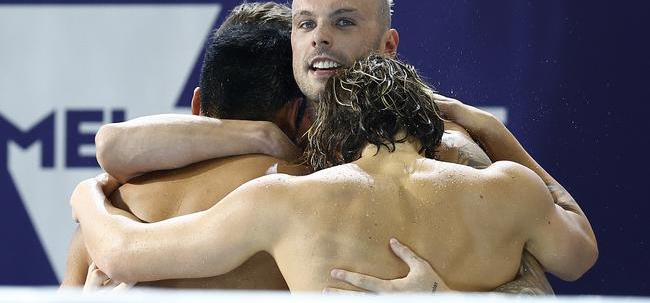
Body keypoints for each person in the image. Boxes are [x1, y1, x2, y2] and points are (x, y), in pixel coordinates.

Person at [82, 0, 572, 293]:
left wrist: (454, 299)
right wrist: (261, 136)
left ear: (388, 46)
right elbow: (112, 148)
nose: (319, 38)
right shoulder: (272, 146)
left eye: (343, 22)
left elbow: (540, 275)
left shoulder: (445, 146)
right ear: (293, 43)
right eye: (305, 24)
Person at [71, 56, 598, 292]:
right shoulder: (512, 189)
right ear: (433, 122)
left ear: (332, 137)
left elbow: (121, 255)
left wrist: (87, 195)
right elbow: (580, 256)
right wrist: (491, 131)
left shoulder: (285, 200)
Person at [61, 3, 309, 289]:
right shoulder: (309, 194)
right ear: (297, 115)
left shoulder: (103, 212)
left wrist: (86, 196)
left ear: (197, 105)